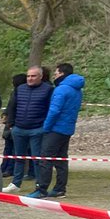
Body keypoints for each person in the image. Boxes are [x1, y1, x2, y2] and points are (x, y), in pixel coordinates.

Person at [29, 63, 84, 199]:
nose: (54, 75)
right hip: (67, 128)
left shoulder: (61, 89)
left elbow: (54, 110)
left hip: (55, 128)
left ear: (62, 74)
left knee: (45, 158)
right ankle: (60, 188)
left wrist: (46, 127)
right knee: (61, 159)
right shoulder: (77, 89)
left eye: (56, 72)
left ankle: (41, 189)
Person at [1, 66, 52, 193]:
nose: (30, 78)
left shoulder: (49, 90)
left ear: (40, 77)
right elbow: (12, 106)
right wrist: (11, 125)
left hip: (37, 129)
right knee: (18, 158)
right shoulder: (20, 89)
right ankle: (15, 183)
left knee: (37, 159)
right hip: (19, 129)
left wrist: (44, 126)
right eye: (28, 76)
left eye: (33, 76)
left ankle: (40, 185)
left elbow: (51, 109)